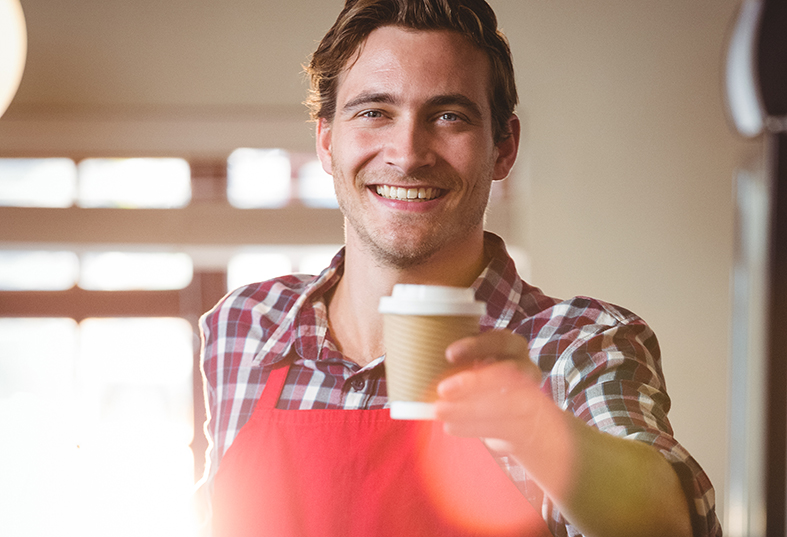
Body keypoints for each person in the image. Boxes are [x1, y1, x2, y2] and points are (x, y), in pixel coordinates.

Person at [197, 1, 721, 536]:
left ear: (503, 147)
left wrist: (537, 430)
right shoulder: (245, 327)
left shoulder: (579, 346)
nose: (407, 153)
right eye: (374, 112)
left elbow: (668, 525)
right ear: (327, 141)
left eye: (449, 116)